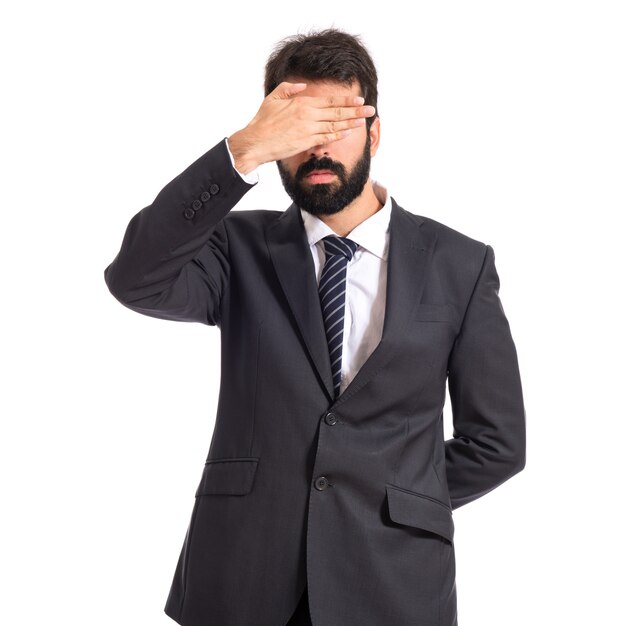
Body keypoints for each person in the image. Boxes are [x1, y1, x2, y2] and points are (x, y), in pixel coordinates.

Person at [104, 27, 526, 626]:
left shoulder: (459, 264)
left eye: (336, 126)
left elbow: (497, 445)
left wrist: (395, 499)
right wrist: (241, 152)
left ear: (374, 132)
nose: (317, 149)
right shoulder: (236, 249)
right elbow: (135, 280)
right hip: (241, 575)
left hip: (392, 583)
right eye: (300, 131)